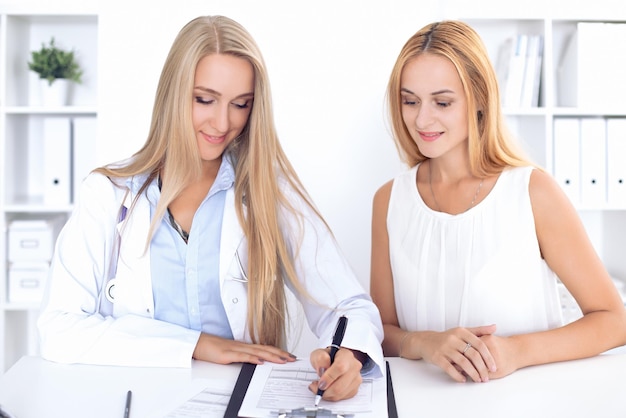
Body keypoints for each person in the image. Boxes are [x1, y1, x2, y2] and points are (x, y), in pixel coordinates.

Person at [38, 15, 383, 402]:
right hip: (137, 401)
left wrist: (348, 355)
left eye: (241, 104)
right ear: (173, 93)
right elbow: (59, 329)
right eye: (205, 99)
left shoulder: (269, 191)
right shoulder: (107, 193)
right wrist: (198, 344)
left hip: (239, 403)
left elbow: (347, 303)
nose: (223, 122)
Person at [370, 20, 626, 383]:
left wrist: (516, 352)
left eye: (442, 102)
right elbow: (381, 329)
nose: (421, 119)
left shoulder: (533, 192)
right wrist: (423, 342)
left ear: (479, 100)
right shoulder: (389, 201)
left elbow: (614, 320)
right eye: (410, 101)